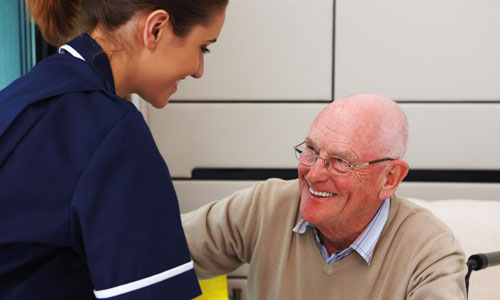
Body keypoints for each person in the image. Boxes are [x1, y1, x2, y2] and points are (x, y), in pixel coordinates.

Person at [0, 0, 227, 299]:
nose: (199, 70)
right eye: (203, 47)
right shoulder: (113, 134)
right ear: (155, 29)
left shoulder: (24, 96)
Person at [182, 93, 468, 299]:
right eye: (311, 150)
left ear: (389, 178)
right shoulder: (266, 206)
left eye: (342, 161)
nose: (314, 174)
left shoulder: (431, 254)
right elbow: (155, 250)